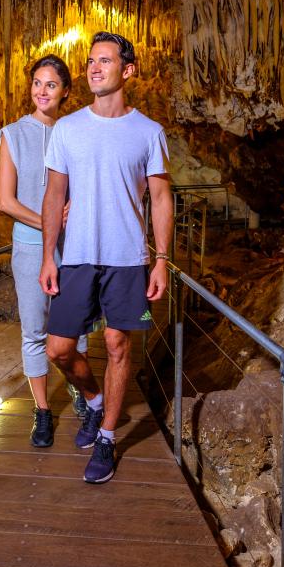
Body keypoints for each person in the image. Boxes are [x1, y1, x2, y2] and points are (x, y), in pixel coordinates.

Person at [39, 31, 173, 484]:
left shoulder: (148, 132)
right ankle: (94, 402)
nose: (94, 67)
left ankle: (108, 438)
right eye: (91, 60)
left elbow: (160, 198)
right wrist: (48, 257)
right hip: (77, 255)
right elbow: (54, 195)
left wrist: (161, 260)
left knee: (117, 345)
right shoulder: (68, 128)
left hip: (127, 258)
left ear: (127, 70)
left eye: (105, 60)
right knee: (58, 349)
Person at [0, 54, 89, 448]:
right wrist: (49, 222)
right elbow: (6, 201)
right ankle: (42, 411)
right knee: (35, 330)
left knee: (76, 331)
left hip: (74, 248)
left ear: (65, 91)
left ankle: (82, 393)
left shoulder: (76, 132)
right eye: (37, 83)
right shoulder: (13, 134)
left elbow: (85, 186)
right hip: (31, 248)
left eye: (51, 84)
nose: (42, 91)